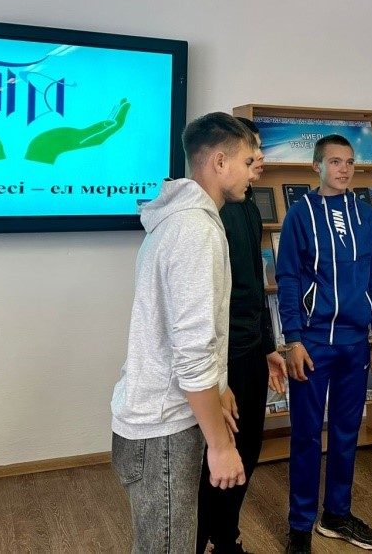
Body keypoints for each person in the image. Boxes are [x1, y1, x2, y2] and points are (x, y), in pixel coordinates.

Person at [110, 112, 255, 554]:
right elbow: (191, 353)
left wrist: (221, 385)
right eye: (248, 162)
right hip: (164, 432)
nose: (253, 173)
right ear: (219, 162)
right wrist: (221, 446)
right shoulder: (195, 231)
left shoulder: (182, 221)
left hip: (157, 424)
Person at [276, 134, 372, 553]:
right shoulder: (299, 213)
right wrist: (293, 339)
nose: (344, 169)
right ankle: (300, 526)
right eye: (335, 161)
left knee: (345, 433)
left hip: (356, 343)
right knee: (307, 436)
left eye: (349, 162)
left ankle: (337, 516)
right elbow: (287, 277)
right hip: (313, 344)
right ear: (317, 166)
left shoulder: (367, 215)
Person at [197, 118, 288, 554]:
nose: (260, 160)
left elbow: (254, 284)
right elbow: (212, 304)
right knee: (216, 457)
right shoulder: (211, 215)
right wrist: (220, 379)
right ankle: (201, 539)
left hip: (251, 351)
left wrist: (268, 347)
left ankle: (226, 537)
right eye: (252, 154)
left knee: (247, 451)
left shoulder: (247, 205)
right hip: (223, 358)